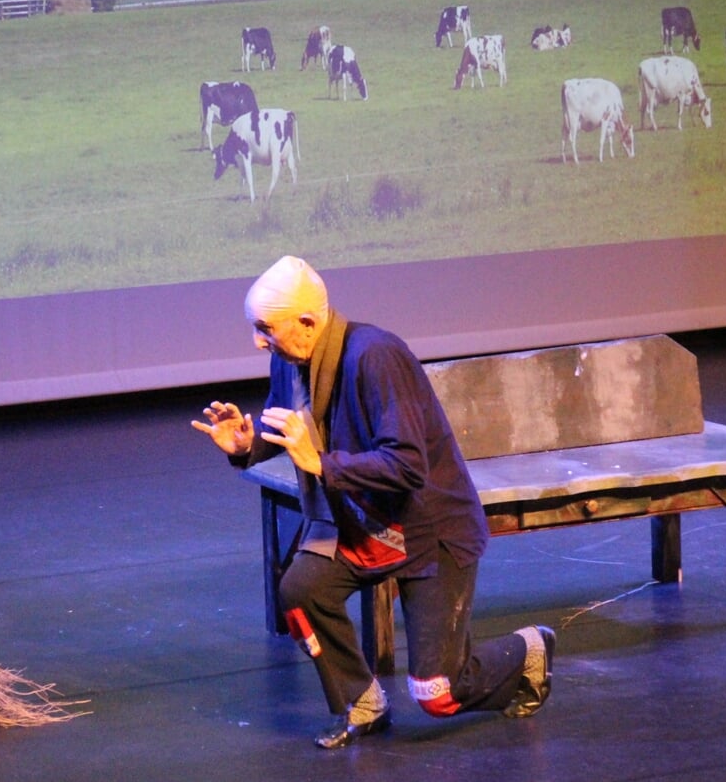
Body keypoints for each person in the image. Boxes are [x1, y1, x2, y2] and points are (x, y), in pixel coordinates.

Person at [192, 255, 553, 749]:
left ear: (307, 323)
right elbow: (289, 433)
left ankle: (528, 650)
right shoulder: (289, 358)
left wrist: (321, 463)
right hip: (360, 520)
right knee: (301, 592)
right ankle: (362, 701)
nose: (258, 341)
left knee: (437, 694)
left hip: (430, 530)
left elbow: (407, 465)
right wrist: (247, 446)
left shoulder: (375, 356)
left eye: (265, 329)